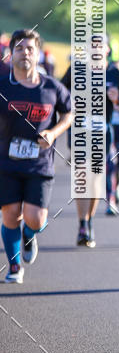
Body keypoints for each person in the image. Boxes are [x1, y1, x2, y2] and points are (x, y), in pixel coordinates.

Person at [0, 29, 72, 283]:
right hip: (6, 162)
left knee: (36, 219)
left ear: (38, 53)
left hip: (39, 165)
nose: (25, 53)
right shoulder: (3, 85)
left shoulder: (51, 87)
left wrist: (53, 132)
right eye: (19, 48)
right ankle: (15, 266)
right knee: (10, 214)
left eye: (30, 48)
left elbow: (69, 113)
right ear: (11, 53)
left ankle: (29, 236)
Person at [61, 38, 119, 241]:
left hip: (102, 132)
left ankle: (89, 220)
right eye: (91, 45)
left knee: (95, 181)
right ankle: (82, 225)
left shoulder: (116, 74)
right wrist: (72, 100)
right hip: (79, 130)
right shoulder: (76, 70)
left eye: (99, 45)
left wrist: (117, 99)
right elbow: (58, 94)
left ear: (107, 49)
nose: (95, 48)